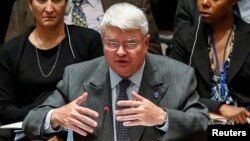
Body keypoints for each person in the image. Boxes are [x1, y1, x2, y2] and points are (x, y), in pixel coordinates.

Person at [23, 2, 209, 141]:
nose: (120, 52)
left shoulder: (179, 75)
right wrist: (56, 117)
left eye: (130, 43)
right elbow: (31, 122)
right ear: (103, 42)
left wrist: (163, 118)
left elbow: (203, 125)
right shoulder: (77, 76)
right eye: (112, 43)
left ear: (145, 44)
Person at [0, 0, 103, 140]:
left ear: (66, 4)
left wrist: (60, 132)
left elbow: (99, 96)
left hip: (77, 131)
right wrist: (49, 120)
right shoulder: (10, 51)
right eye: (41, 1)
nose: (49, 8)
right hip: (25, 131)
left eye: (56, 0)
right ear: (30, 5)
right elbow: (4, 108)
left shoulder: (89, 41)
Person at [171, 0, 250, 124]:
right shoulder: (185, 38)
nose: (205, 2)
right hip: (200, 123)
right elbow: (175, 93)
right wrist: (219, 107)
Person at [5, 0, 162, 55]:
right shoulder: (25, 5)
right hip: (49, 99)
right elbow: (10, 62)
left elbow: (151, 53)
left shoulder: (133, 1)